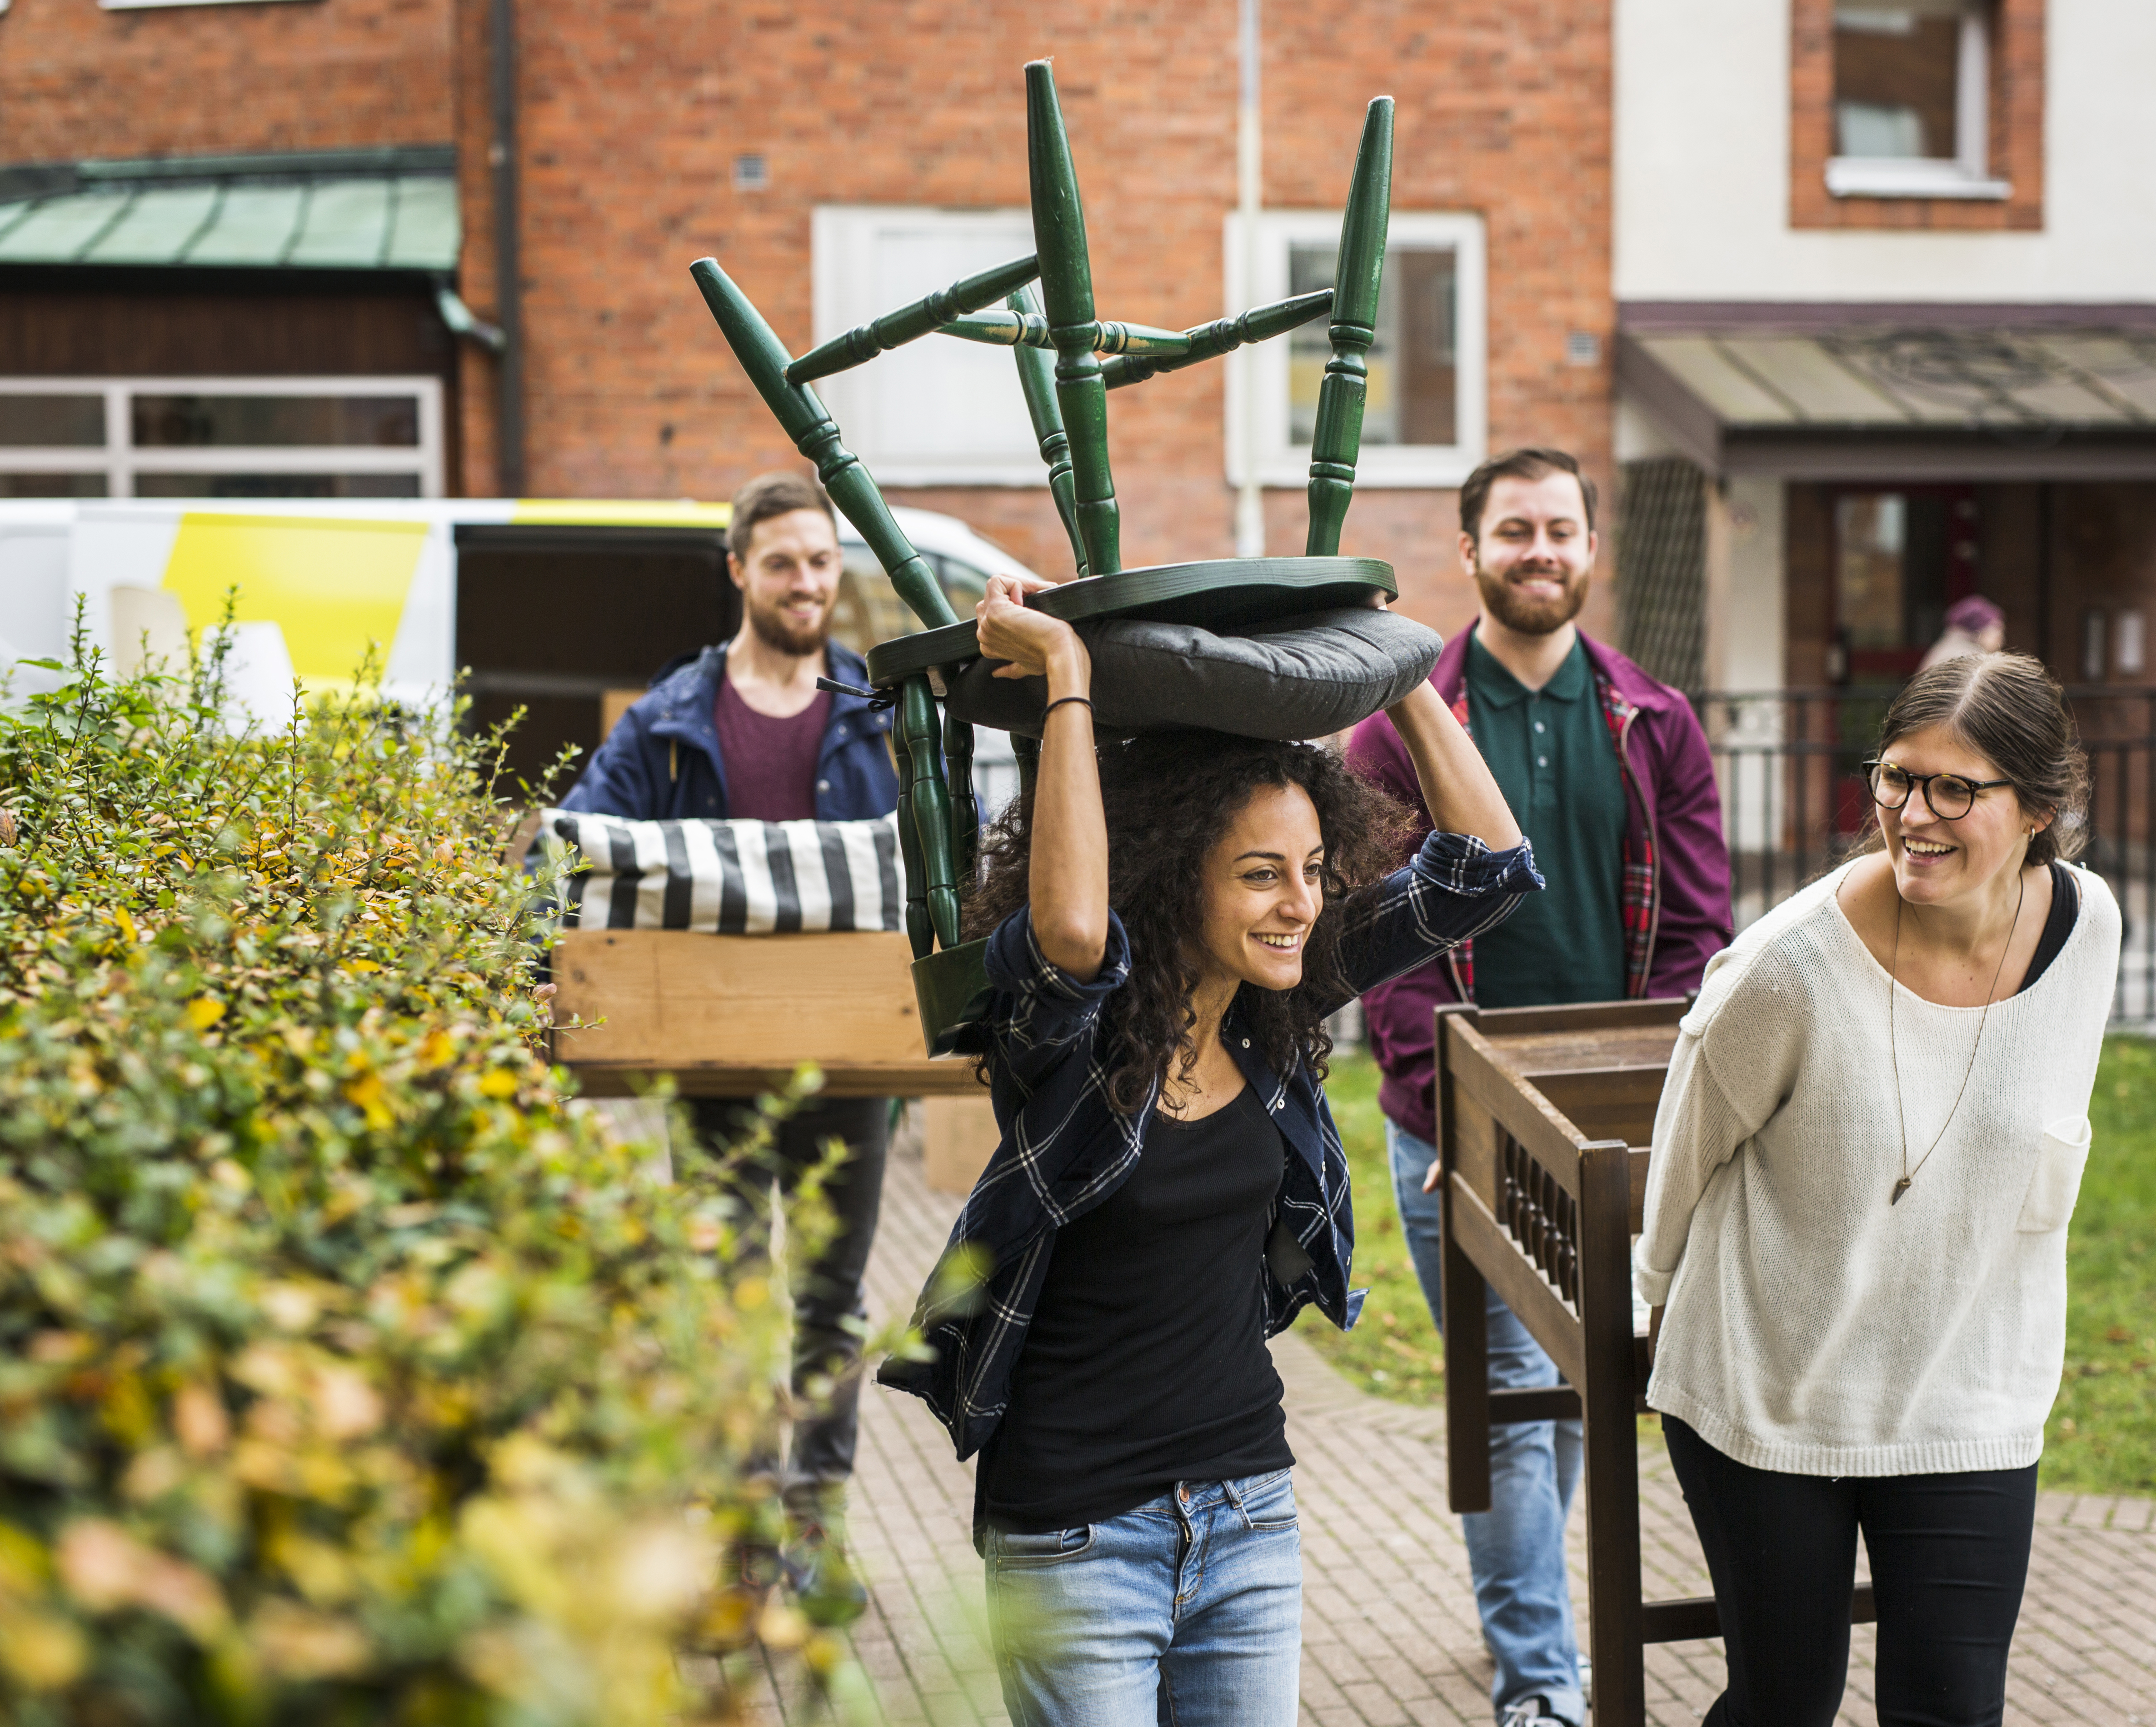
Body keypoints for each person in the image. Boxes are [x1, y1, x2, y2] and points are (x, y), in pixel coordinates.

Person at [880, 572, 1541, 1727]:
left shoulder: (1270, 1010)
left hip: (1247, 1513)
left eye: (1315, 869)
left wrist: (1397, 666)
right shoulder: (1062, 1039)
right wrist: (1069, 679)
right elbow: (1076, 931)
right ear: (1172, 868)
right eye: (1259, 872)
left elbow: (1482, 869)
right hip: (1076, 1535)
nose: (1301, 903)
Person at [1632, 652, 2119, 1727]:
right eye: (1897, 777)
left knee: (1952, 1704)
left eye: (1956, 787)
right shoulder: (1784, 967)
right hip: (1772, 1388)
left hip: (1967, 1391)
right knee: (1785, 1702)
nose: (1912, 812)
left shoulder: (2090, 928)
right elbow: (1687, 1146)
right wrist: (1652, 1291)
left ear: (2038, 808)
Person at [1345, 447, 1733, 1727]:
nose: (1539, 552)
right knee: (1516, 1406)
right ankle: (1542, 1684)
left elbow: (1696, 930)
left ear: (1589, 548)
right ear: (1468, 553)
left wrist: (1659, 1089)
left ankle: (1531, 1622)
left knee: (1570, 1399)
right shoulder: (1398, 726)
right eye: (1513, 531)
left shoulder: (1653, 722)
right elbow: (1383, 946)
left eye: (1560, 529)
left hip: (1614, 1134)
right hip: (1456, 1127)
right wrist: (1447, 1098)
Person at [558, 469, 898, 1587]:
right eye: (785, 561)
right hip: (709, 1063)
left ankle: (819, 1523)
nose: (808, 582)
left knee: (830, 1300)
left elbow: (955, 858)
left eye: (821, 560)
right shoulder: (666, 724)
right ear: (739, 570)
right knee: (732, 1294)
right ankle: (748, 1520)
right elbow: (571, 852)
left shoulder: (878, 715)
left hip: (855, 1058)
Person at [1920, 594, 2006, 672]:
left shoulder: (1949, 645)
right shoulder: (1967, 657)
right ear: (1979, 631)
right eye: (1998, 629)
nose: (2002, 638)